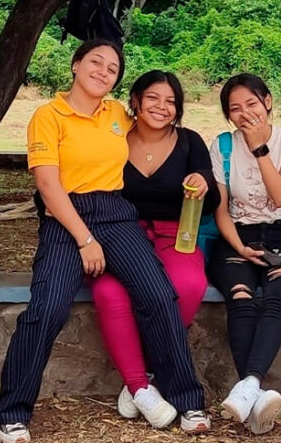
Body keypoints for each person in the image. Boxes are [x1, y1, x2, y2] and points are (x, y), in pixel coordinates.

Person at [0, 40, 207, 443]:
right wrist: (85, 239)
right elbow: (46, 185)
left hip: (115, 212)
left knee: (159, 296)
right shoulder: (48, 116)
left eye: (112, 68)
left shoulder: (116, 115)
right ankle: (12, 412)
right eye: (96, 62)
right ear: (75, 65)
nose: (103, 71)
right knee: (47, 309)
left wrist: (196, 170)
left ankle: (187, 399)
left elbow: (157, 126)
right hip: (65, 217)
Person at [94, 70, 218, 432]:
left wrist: (202, 183)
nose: (161, 107)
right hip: (120, 236)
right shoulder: (113, 140)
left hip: (174, 235)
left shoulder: (190, 141)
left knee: (188, 286)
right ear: (135, 100)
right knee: (109, 292)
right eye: (152, 98)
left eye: (170, 101)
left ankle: (145, 373)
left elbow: (211, 200)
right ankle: (139, 383)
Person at [208, 73, 281, 435]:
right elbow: (220, 208)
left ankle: (249, 385)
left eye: (251, 103)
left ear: (267, 101)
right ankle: (253, 398)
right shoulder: (221, 145)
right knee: (240, 296)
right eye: (234, 109)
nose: (244, 113)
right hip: (236, 236)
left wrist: (258, 147)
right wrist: (237, 246)